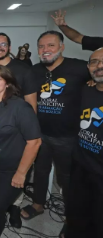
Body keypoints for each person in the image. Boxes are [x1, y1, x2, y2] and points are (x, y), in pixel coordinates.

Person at [22, 31, 91, 237]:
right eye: (41, 47)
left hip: (69, 137)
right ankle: (38, 204)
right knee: (40, 171)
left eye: (50, 46)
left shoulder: (79, 68)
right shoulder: (34, 71)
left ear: (61, 46)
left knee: (67, 180)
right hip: (41, 134)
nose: (46, 51)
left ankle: (72, 219)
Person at [0, 33, 37, 227]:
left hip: (11, 168)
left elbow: (34, 141)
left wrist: (21, 173)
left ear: (8, 83)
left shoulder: (19, 107)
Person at [66, 48, 103, 238]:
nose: (100, 66)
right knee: (77, 212)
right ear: (88, 67)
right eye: (95, 62)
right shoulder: (85, 89)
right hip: (81, 164)